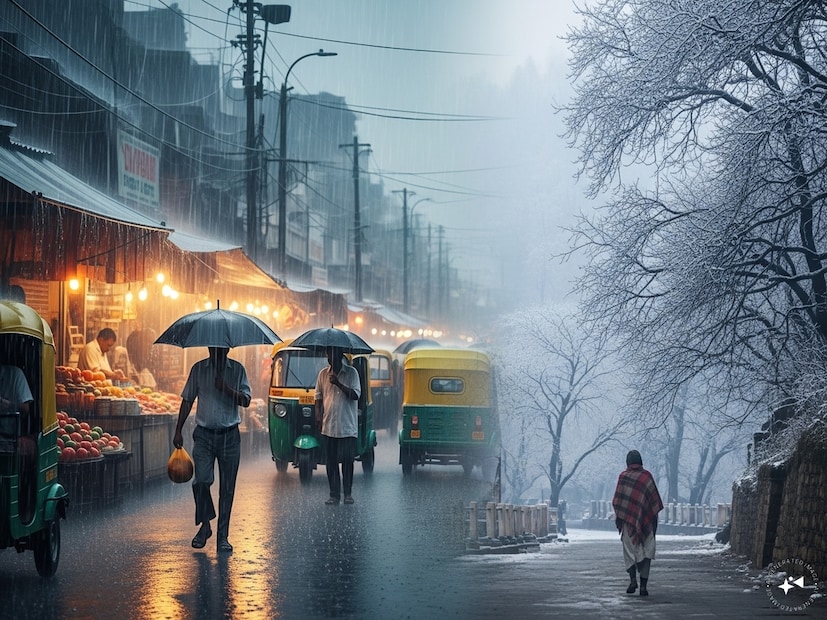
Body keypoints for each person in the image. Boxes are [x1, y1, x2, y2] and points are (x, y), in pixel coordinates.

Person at [172, 347, 251, 553]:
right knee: (201, 481)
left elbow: (246, 400)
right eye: (212, 347)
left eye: (220, 348)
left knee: (227, 489)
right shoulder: (198, 369)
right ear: (208, 347)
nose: (216, 350)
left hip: (230, 436)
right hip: (204, 435)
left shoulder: (237, 370)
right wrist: (178, 429)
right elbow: (187, 399)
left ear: (227, 348)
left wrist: (226, 388)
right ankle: (205, 525)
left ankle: (222, 536)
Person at [612, 449, 664, 596]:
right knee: (647, 552)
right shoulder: (647, 477)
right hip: (646, 524)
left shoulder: (623, 477)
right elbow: (654, 501)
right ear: (640, 461)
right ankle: (643, 587)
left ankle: (632, 580)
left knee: (629, 552)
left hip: (628, 524)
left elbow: (617, 501)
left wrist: (622, 518)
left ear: (627, 462)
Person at [315, 347, 361, 505]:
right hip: (329, 426)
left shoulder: (352, 373)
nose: (330, 358)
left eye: (333, 354)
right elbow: (318, 397)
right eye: (328, 354)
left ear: (340, 356)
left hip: (347, 426)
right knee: (331, 462)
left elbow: (355, 395)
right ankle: (334, 494)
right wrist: (318, 416)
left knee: (348, 461)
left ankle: (348, 493)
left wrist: (338, 383)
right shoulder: (322, 374)